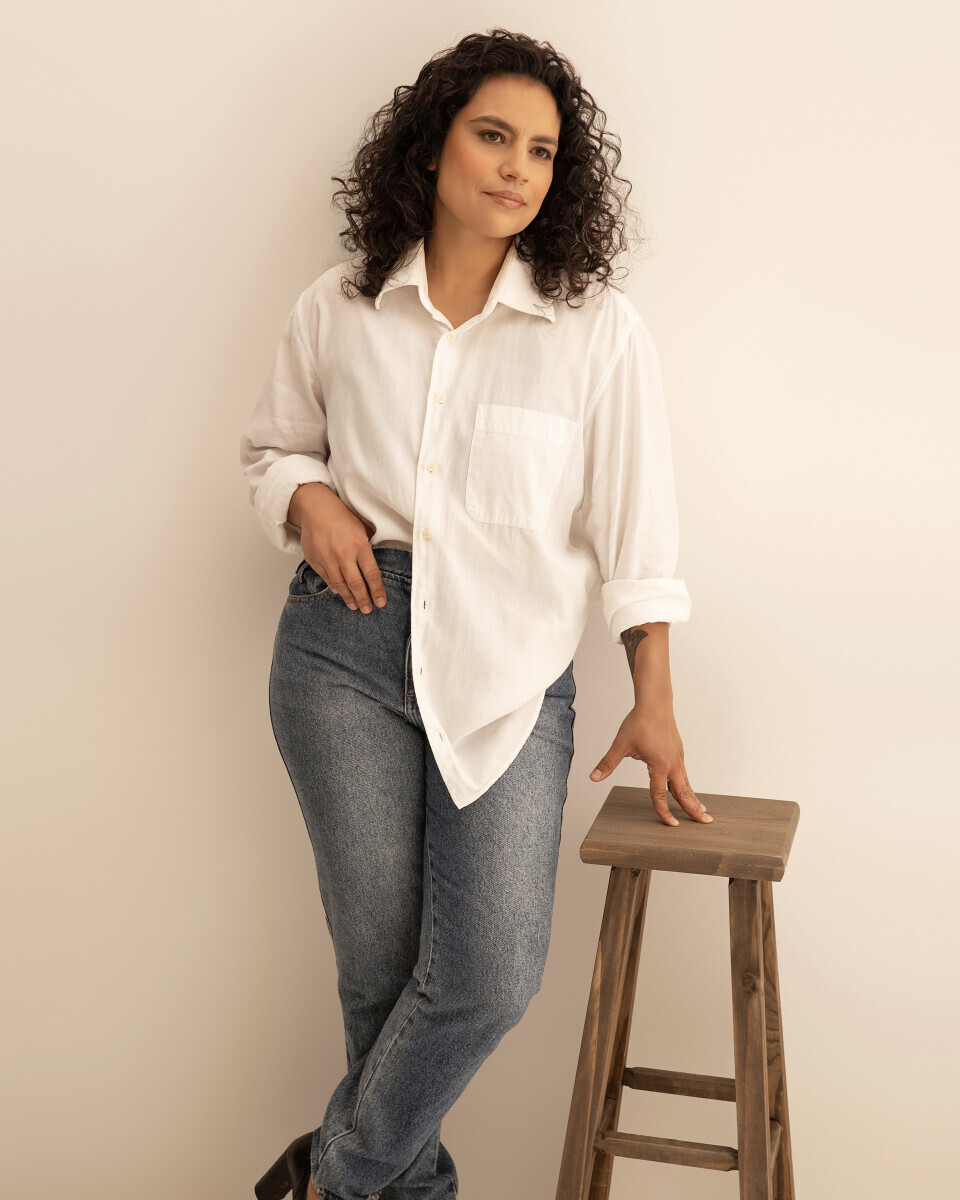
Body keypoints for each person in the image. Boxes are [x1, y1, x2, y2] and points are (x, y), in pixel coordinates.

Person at [240, 27, 712, 1200]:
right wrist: (307, 499)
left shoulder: (596, 330)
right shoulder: (338, 306)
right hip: (342, 650)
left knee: (488, 977)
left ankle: (328, 1180)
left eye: (542, 151)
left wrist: (654, 696)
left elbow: (638, 535)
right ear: (432, 144)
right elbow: (272, 448)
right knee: (382, 975)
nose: (516, 168)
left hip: (511, 669)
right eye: (494, 136)